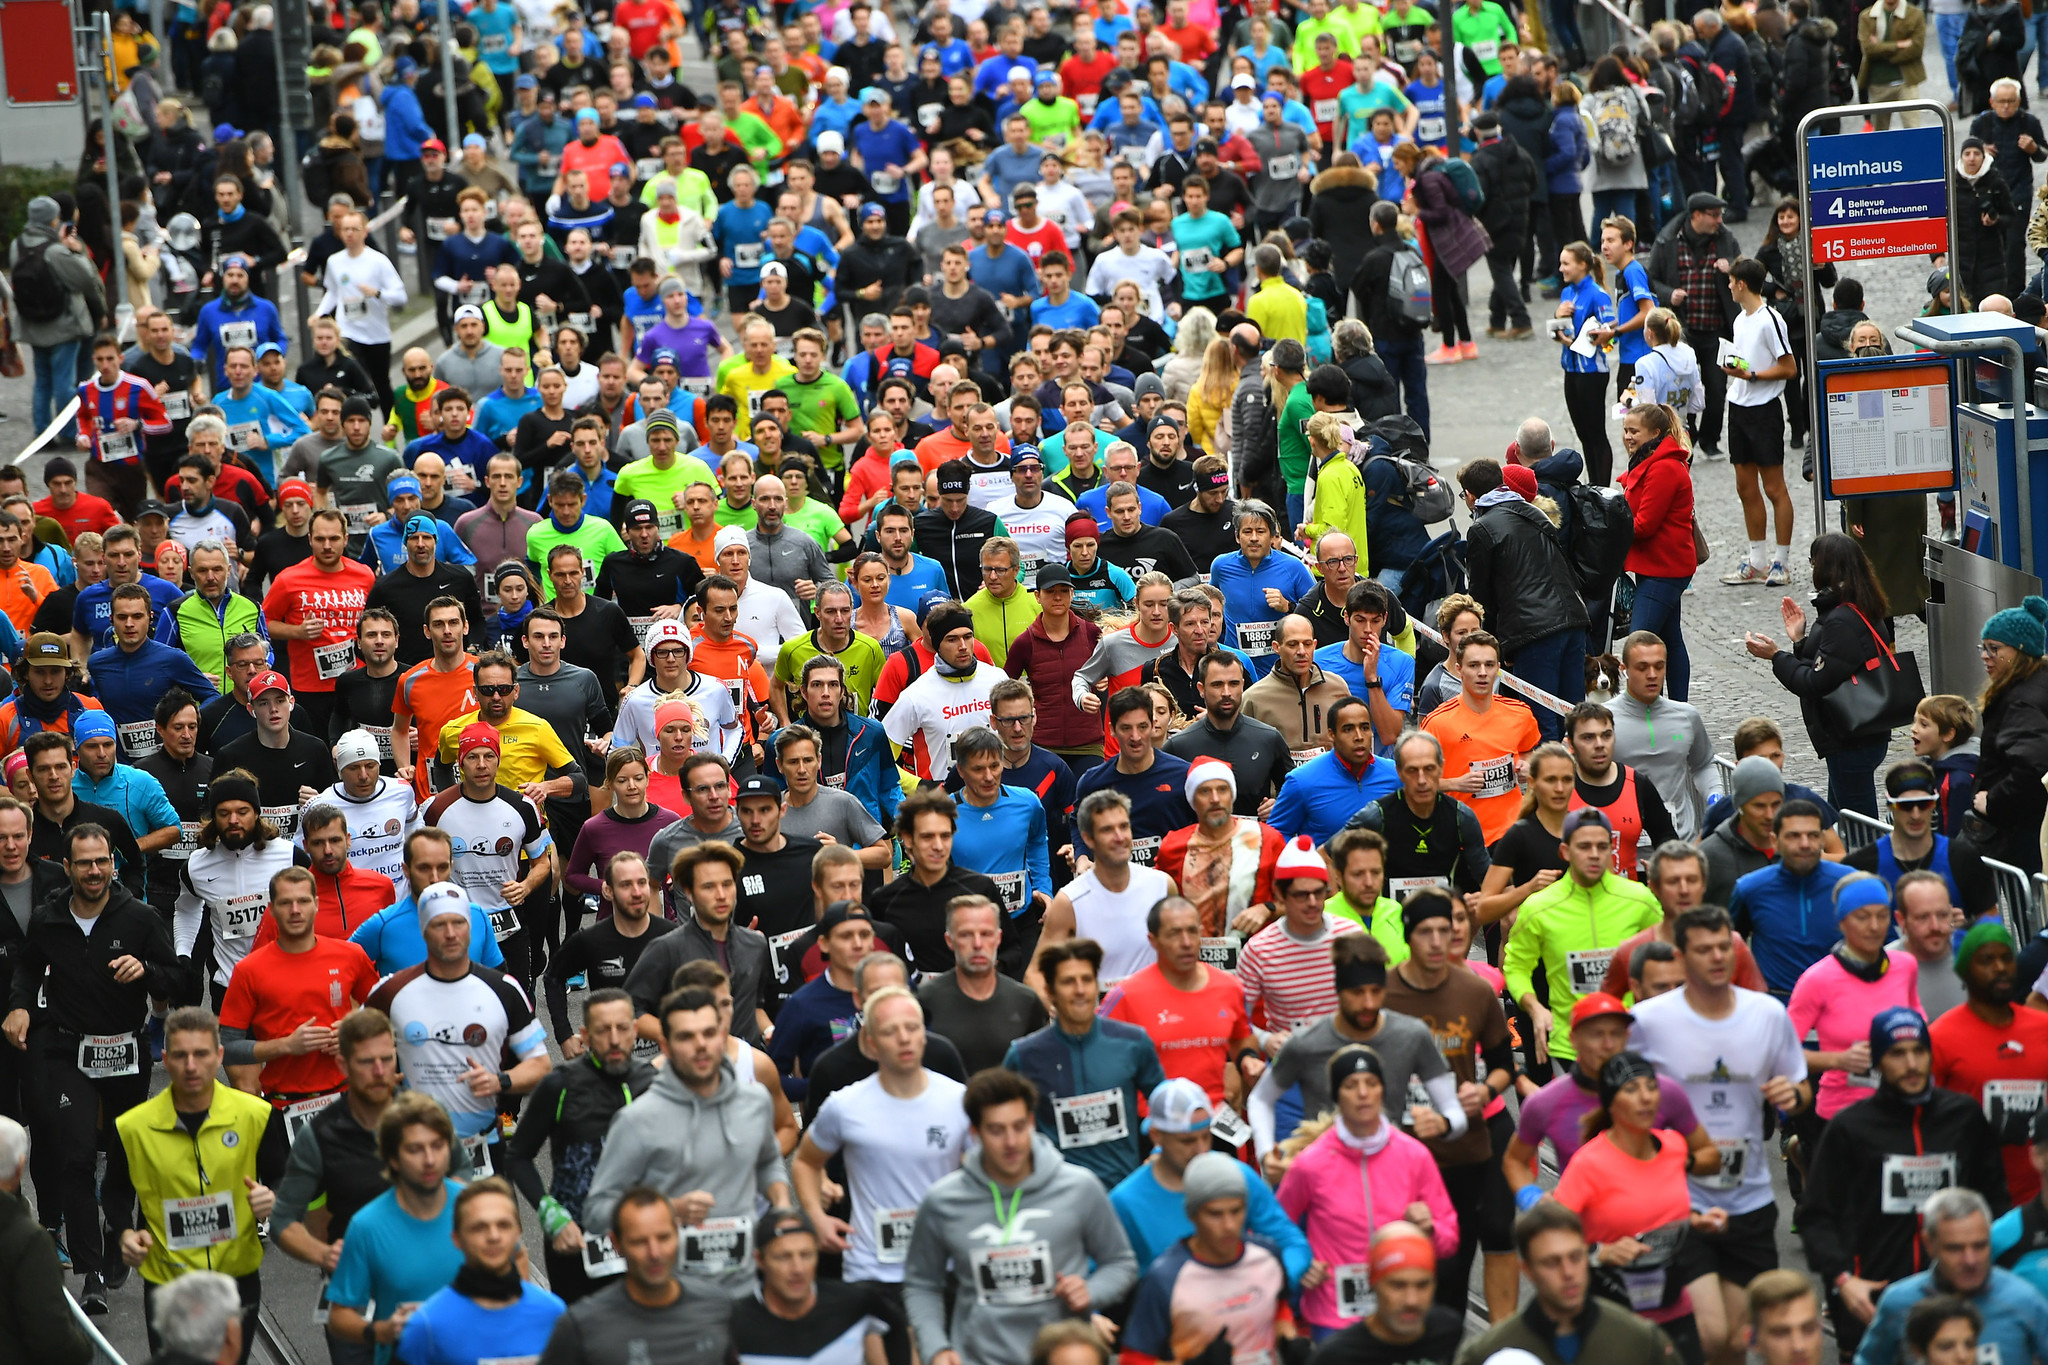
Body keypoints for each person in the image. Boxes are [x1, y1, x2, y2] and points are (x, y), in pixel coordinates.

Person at [3, 819, 180, 1310]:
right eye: (84, 863)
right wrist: (19, 1004)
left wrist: (147, 970)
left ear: (113, 863)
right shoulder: (49, 918)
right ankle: (92, 1272)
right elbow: (28, 964)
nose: (95, 870)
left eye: (102, 861)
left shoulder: (140, 918)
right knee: (76, 1155)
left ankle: (116, 1223)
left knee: (122, 1153)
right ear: (67, 867)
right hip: (67, 1051)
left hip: (125, 1049)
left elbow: (177, 979)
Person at [1630, 907, 1813, 1357]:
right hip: (1680, 1200)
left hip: (1749, 1199)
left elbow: (1802, 1088)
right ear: (1682, 956)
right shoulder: (1648, 1021)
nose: (1717, 957)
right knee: (1708, 1333)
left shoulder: (1767, 1014)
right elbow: (1619, 1097)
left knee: (1739, 1337)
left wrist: (1793, 1096)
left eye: (1724, 948)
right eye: (1704, 949)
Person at [1801, 1004, 2008, 1353]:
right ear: (1878, 1061)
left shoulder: (1964, 1117)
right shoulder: (1850, 1128)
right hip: (1871, 1299)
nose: (1911, 1064)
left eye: (1919, 1051)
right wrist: (1842, 1282)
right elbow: (1815, 1216)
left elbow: (1995, 1203)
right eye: (1897, 1054)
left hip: (1954, 1297)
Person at [900, 1067, 1138, 1365]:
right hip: (979, 1357)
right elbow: (921, 1284)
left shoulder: (1079, 1187)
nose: (1011, 1142)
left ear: (1032, 1123)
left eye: (1019, 1126)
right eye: (997, 1131)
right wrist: (935, 1348)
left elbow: (1121, 1263)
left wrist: (1091, 1291)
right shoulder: (942, 1201)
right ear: (975, 1134)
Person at [114, 1007, 288, 1355]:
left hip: (235, 1277)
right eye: (179, 1055)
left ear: (219, 1055)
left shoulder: (258, 1114)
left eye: (201, 1054)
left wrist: (274, 1200)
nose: (191, 1066)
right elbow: (116, 1191)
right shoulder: (132, 1126)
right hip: (168, 1282)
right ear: (164, 1057)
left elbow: (285, 1176)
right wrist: (125, 1233)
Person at [793, 982, 969, 1295]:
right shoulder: (845, 1106)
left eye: (912, 1028)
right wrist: (816, 1218)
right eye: (890, 1031)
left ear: (924, 1036)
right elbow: (806, 1161)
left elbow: (985, 1173)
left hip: (945, 1267)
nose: (904, 1038)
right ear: (871, 1044)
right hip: (870, 1268)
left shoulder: (960, 1101)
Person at [364, 881, 550, 1174]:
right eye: (439, 925)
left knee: (494, 1221)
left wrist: (499, 1081)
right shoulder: (391, 991)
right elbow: (354, 1055)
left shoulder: (503, 989)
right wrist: (377, 1080)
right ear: (424, 930)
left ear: (470, 927)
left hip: (484, 1147)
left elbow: (540, 1065)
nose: (450, 934)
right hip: (415, 1150)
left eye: (458, 923)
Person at [1276, 1042, 1459, 1337]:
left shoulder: (1414, 1156)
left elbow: (1449, 1238)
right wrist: (1300, 1261)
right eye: (1351, 1085)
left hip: (1402, 1310)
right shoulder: (1310, 1163)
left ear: (1382, 1090)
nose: (1363, 1093)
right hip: (1334, 1315)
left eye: (1371, 1083)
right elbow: (1277, 1227)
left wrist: (1430, 1230)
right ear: (1336, 1094)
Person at [504, 988, 656, 1303]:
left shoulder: (654, 1083)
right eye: (603, 1030)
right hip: (575, 1242)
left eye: (622, 1028)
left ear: (635, 1031)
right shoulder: (559, 1085)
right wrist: (551, 1216)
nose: (614, 1039)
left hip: (643, 1237)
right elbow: (518, 1155)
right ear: (584, 1035)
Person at [1741, 533, 1900, 817]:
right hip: (1860, 733)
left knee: (1859, 826)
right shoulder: (1857, 606)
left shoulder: (1842, 620)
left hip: (1850, 737)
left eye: (1813, 562)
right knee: (1835, 817)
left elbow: (1814, 682)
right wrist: (1800, 639)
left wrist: (1776, 656)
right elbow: (1826, 666)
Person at [1108, 1077, 1313, 1282]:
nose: (1201, 1150)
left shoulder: (1238, 1175)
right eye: (1187, 1141)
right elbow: (1101, 1271)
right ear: (1156, 1135)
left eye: (1206, 1136)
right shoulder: (1125, 1201)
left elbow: (1291, 1242)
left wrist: (1275, 1282)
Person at [323, 1088, 467, 1362]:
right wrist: (381, 1331)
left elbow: (515, 1260)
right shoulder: (367, 1226)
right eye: (415, 1149)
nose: (429, 1160)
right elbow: (339, 1315)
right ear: (392, 1158)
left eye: (437, 1145)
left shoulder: (474, 1208)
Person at [1452, 1202, 1684, 1365]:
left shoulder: (1640, 1341)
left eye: (1575, 1257)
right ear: (1528, 1271)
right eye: (1552, 1262)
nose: (1568, 1272)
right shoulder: (1490, 1352)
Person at [1121, 1149, 1292, 1362]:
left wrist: (1290, 1341)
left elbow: (1279, 1309)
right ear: (1192, 1214)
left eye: (1236, 1211)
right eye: (1215, 1214)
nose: (1229, 1225)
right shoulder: (1165, 1278)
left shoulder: (1268, 1257)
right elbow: (1133, 1359)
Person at [1855, 1188, 2048, 1365]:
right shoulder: (1898, 1303)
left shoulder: (2024, 1300)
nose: (1970, 1260)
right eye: (1955, 1249)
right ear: (1929, 1244)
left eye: (1980, 1246)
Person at [395, 1179, 568, 1365]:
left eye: (503, 1225)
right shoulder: (426, 1326)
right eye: (479, 1227)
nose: (493, 1236)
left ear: (518, 1233)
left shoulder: (553, 1313)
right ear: (456, 1238)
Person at [1609, 631, 1719, 842]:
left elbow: (1704, 763)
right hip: (1624, 849)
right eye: (1642, 668)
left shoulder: (1687, 716)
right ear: (1625, 670)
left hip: (1680, 843)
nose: (1652, 674)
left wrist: (1716, 797)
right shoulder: (1603, 720)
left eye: (1659, 666)